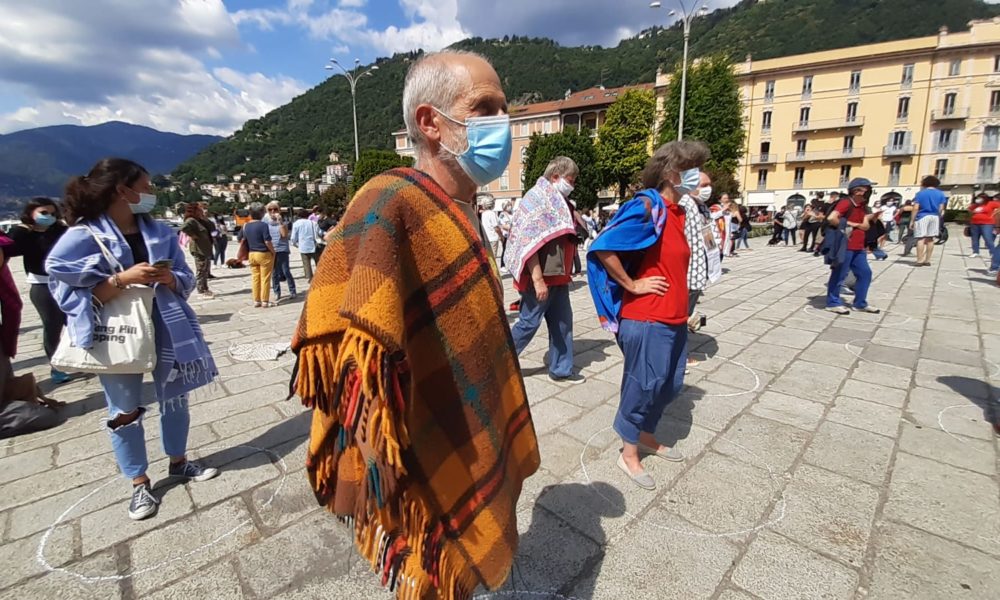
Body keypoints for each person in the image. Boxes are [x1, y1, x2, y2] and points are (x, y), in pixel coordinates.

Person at [289, 50, 539, 600]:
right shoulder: (391, 201)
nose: (504, 122)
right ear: (430, 123)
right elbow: (354, 354)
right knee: (432, 563)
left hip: (471, 422)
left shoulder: (463, 206)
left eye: (504, 108)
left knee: (472, 553)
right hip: (416, 440)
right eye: (486, 107)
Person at [46, 158, 218, 521]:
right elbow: (66, 293)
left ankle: (179, 461)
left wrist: (171, 280)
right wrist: (123, 279)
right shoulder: (83, 237)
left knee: (176, 398)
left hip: (166, 328)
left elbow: (185, 277)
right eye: (147, 186)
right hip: (116, 335)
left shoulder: (161, 232)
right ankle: (139, 482)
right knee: (124, 410)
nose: (152, 193)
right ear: (123, 191)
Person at [587, 140, 709, 490]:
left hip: (672, 319)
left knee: (668, 385)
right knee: (643, 386)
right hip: (645, 318)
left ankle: (645, 435)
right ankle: (628, 453)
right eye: (693, 169)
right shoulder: (645, 206)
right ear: (672, 174)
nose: (699, 177)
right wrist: (633, 283)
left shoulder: (680, 213)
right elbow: (602, 245)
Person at [506, 156, 583, 383]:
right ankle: (498, 364)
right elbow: (527, 242)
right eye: (571, 179)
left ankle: (561, 369)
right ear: (555, 176)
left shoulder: (560, 202)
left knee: (562, 324)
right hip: (539, 279)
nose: (573, 184)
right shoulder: (536, 198)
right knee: (528, 323)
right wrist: (538, 279)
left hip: (558, 277)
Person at [7, 198, 71, 383]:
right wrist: (22, 229)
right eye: (44, 213)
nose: (49, 217)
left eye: (52, 213)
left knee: (75, 322)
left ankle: (80, 358)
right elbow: (10, 247)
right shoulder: (23, 233)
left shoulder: (60, 230)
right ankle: (57, 367)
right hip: (41, 285)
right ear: (31, 213)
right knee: (52, 326)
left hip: (66, 283)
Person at [824, 178, 881, 315]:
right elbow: (832, 218)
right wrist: (855, 225)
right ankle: (832, 302)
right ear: (857, 191)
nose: (869, 192)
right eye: (867, 189)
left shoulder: (862, 206)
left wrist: (871, 218)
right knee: (839, 274)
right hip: (845, 245)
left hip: (859, 247)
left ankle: (860, 303)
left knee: (865, 273)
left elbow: (864, 224)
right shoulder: (846, 203)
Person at [239, 203, 275, 307]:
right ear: (261, 213)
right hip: (263, 253)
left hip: (252, 253)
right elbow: (267, 241)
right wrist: (273, 251)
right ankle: (264, 300)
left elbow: (241, 238)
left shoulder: (246, 225)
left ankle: (256, 300)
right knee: (265, 278)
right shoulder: (263, 225)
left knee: (255, 278)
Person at [178, 202, 214, 298]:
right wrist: (193, 235)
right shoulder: (191, 220)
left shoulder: (200, 220)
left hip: (205, 248)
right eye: (199, 209)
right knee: (201, 270)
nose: (201, 211)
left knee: (206, 270)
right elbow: (183, 227)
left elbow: (212, 227)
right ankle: (201, 290)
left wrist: (204, 218)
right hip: (199, 249)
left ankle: (205, 288)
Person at [263, 201, 296, 300]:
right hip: (271, 250)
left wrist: (280, 222)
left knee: (286, 271)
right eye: (270, 209)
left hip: (282, 249)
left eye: (275, 209)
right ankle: (277, 292)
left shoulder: (283, 222)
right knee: (274, 273)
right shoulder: (265, 223)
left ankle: (292, 291)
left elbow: (284, 235)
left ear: (279, 210)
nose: (273, 211)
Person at [913, 175, 948, 267]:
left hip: (922, 216)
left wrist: (912, 220)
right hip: (934, 216)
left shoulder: (920, 193)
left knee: (920, 238)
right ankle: (927, 260)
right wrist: (938, 216)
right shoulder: (940, 194)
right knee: (930, 239)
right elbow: (941, 207)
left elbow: (916, 207)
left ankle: (919, 260)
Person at [967, 194, 1000, 271]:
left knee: (988, 238)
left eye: (980, 198)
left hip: (987, 223)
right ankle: (975, 251)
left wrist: (994, 215)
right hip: (974, 223)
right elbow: (969, 210)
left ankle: (992, 253)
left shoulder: (991, 203)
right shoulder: (975, 205)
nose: (978, 199)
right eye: (978, 198)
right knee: (974, 238)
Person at [289, 208, 320, 282]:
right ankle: (320, 275)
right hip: (314, 244)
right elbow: (317, 233)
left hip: (303, 246)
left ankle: (310, 278)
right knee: (318, 262)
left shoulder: (296, 223)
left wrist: (294, 244)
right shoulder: (313, 223)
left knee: (306, 264)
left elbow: (293, 237)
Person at [478, 193, 503, 261]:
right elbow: (496, 227)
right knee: (492, 258)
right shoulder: (492, 213)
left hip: (486, 238)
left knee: (488, 258)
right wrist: (501, 236)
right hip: (493, 238)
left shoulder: (483, 214)